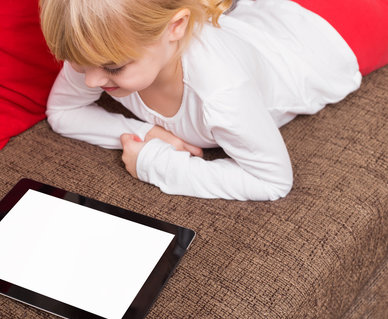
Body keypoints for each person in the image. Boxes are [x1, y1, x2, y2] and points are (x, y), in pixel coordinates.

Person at [39, 0, 388, 201]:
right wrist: (142, 132)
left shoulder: (222, 94)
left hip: (334, 39)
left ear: (175, 28)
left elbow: (274, 182)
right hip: (265, 17)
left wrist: (155, 162)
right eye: (79, 64)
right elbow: (62, 111)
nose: (91, 81)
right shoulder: (95, 50)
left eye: (113, 68)